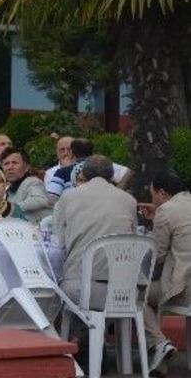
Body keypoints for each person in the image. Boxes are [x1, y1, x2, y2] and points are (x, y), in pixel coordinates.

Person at [54, 155, 136, 341]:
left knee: (60, 287)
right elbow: (133, 238)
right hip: (122, 288)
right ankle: (88, 340)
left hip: (80, 287)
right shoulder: (128, 200)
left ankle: (76, 341)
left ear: (83, 173)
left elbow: (59, 243)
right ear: (112, 175)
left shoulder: (69, 197)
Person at [138, 170, 191, 372]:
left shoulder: (166, 210)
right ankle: (160, 349)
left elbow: (157, 255)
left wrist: (157, 218)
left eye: (153, 195)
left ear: (161, 193)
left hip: (184, 288)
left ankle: (160, 343)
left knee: (134, 295)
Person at [48, 138, 132, 199]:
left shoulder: (61, 172)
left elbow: (52, 198)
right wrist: (117, 192)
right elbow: (129, 173)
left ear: (71, 153)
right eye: (62, 150)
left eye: (68, 150)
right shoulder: (105, 165)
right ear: (92, 152)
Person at [1, 148, 51, 224]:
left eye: (14, 163)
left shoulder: (33, 182)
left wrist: (10, 208)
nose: (10, 167)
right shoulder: (7, 191)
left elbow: (40, 200)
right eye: (6, 164)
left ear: (26, 167)